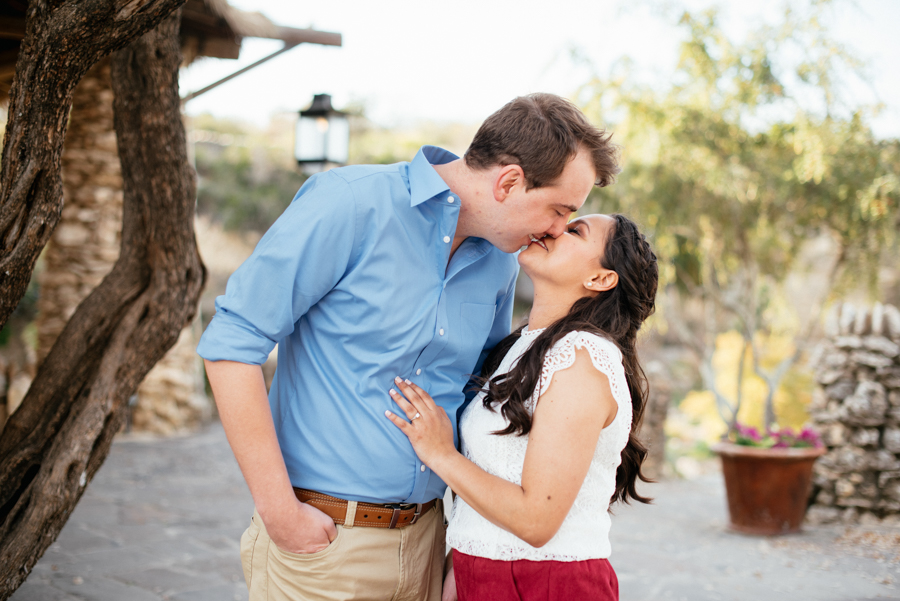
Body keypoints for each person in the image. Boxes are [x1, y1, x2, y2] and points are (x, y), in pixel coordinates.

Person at [197, 94, 620, 601]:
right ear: (508, 182)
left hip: (431, 545)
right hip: (326, 545)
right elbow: (231, 344)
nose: (555, 230)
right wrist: (280, 513)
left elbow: (477, 390)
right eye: (560, 209)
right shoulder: (351, 203)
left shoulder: (501, 264)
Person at [386, 213, 658, 601]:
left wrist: (440, 453)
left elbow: (536, 520)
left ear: (600, 279)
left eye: (575, 231)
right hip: (478, 572)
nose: (553, 228)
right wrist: (459, 567)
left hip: (547, 583)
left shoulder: (582, 356)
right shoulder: (522, 346)